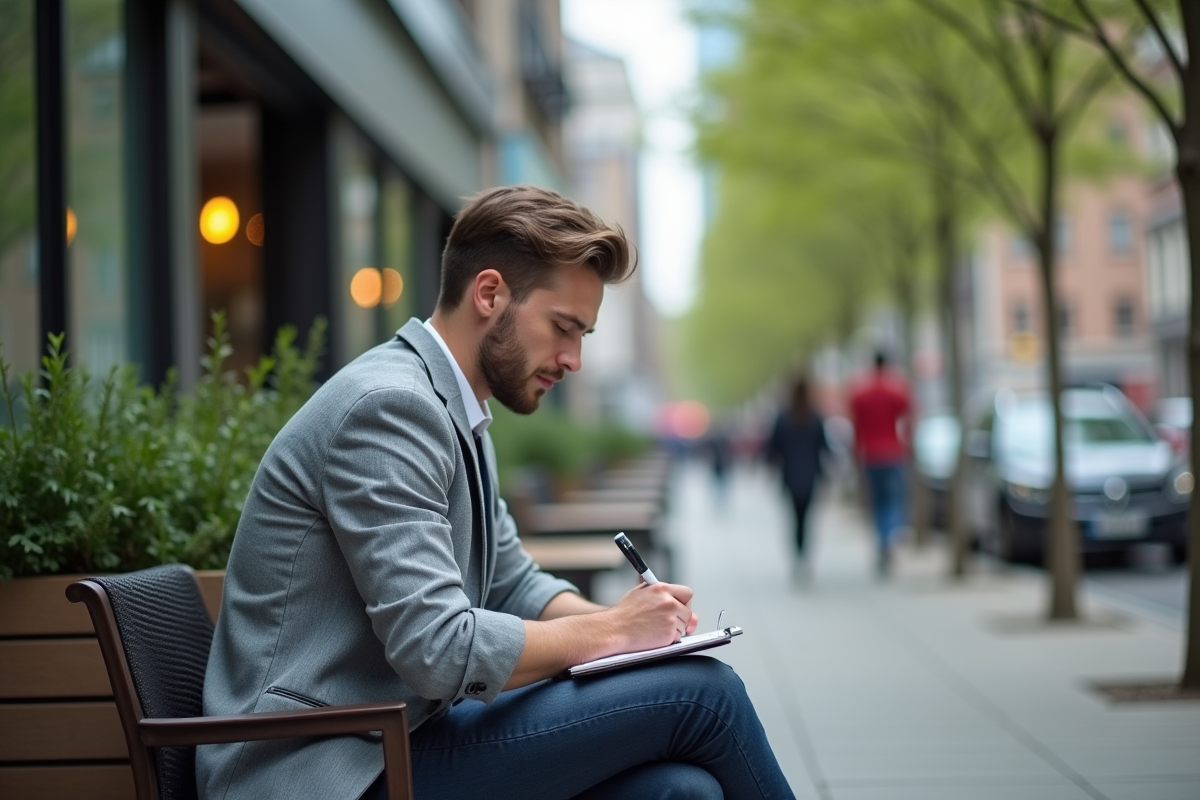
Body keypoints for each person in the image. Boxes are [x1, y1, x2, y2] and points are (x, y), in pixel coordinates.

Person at [197, 186, 793, 800]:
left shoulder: (456, 407)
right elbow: (438, 648)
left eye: (584, 334)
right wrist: (616, 631)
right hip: (318, 769)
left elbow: (514, 584)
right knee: (705, 695)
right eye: (564, 327)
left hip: (391, 739)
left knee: (679, 790)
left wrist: (650, 632)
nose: (574, 359)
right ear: (489, 294)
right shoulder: (390, 409)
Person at [847, 352, 912, 575]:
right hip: (893, 453)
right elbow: (910, 416)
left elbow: (856, 426)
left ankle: (882, 541)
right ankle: (887, 539)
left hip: (870, 455)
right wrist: (908, 443)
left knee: (877, 503)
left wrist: (856, 452)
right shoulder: (896, 389)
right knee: (893, 501)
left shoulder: (860, 392)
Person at [766, 379, 828, 577]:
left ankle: (798, 556)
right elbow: (823, 447)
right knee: (806, 519)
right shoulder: (815, 418)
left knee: (795, 518)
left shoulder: (784, 418)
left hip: (790, 476)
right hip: (810, 476)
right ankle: (804, 556)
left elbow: (773, 448)